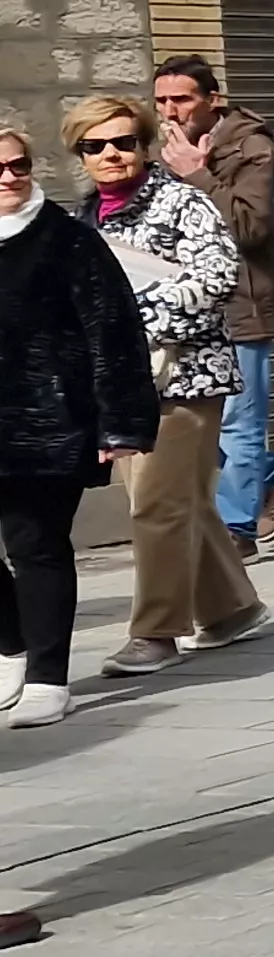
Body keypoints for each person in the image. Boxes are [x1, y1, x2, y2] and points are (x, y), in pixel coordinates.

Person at [68, 91, 260, 679]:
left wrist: (129, 319)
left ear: (145, 145)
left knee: (155, 504)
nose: (111, 154)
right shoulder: (80, 217)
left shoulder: (182, 203)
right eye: (94, 146)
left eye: (124, 142)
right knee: (176, 501)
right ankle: (230, 607)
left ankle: (155, 631)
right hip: (123, 385)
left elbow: (217, 278)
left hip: (185, 377)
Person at [0, 112, 158, 730]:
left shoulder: (64, 237)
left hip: (48, 420)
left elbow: (112, 329)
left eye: (19, 165)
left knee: (34, 544)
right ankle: (10, 647)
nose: (10, 177)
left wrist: (119, 422)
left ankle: (47, 674)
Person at [153, 57, 274, 554]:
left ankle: (237, 529)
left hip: (241, 304)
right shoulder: (168, 151)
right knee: (200, 423)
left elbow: (251, 227)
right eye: (162, 101)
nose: (171, 111)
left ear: (212, 100)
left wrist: (196, 175)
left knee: (240, 424)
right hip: (183, 310)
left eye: (182, 99)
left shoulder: (252, 147)